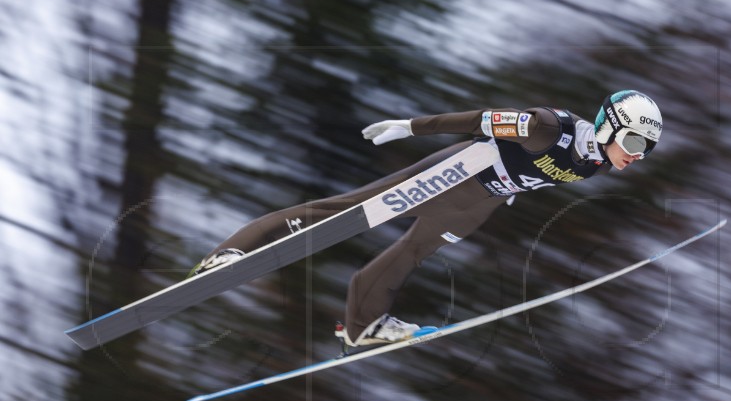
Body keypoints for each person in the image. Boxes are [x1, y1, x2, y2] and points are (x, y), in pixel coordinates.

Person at [191, 90, 663, 347]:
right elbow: (481, 119)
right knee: (349, 212)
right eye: (637, 144)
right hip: (462, 171)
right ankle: (229, 255)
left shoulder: (597, 163)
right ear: (608, 126)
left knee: (413, 253)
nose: (638, 157)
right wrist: (409, 128)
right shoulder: (549, 128)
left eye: (648, 151)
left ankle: (362, 326)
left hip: (482, 201)